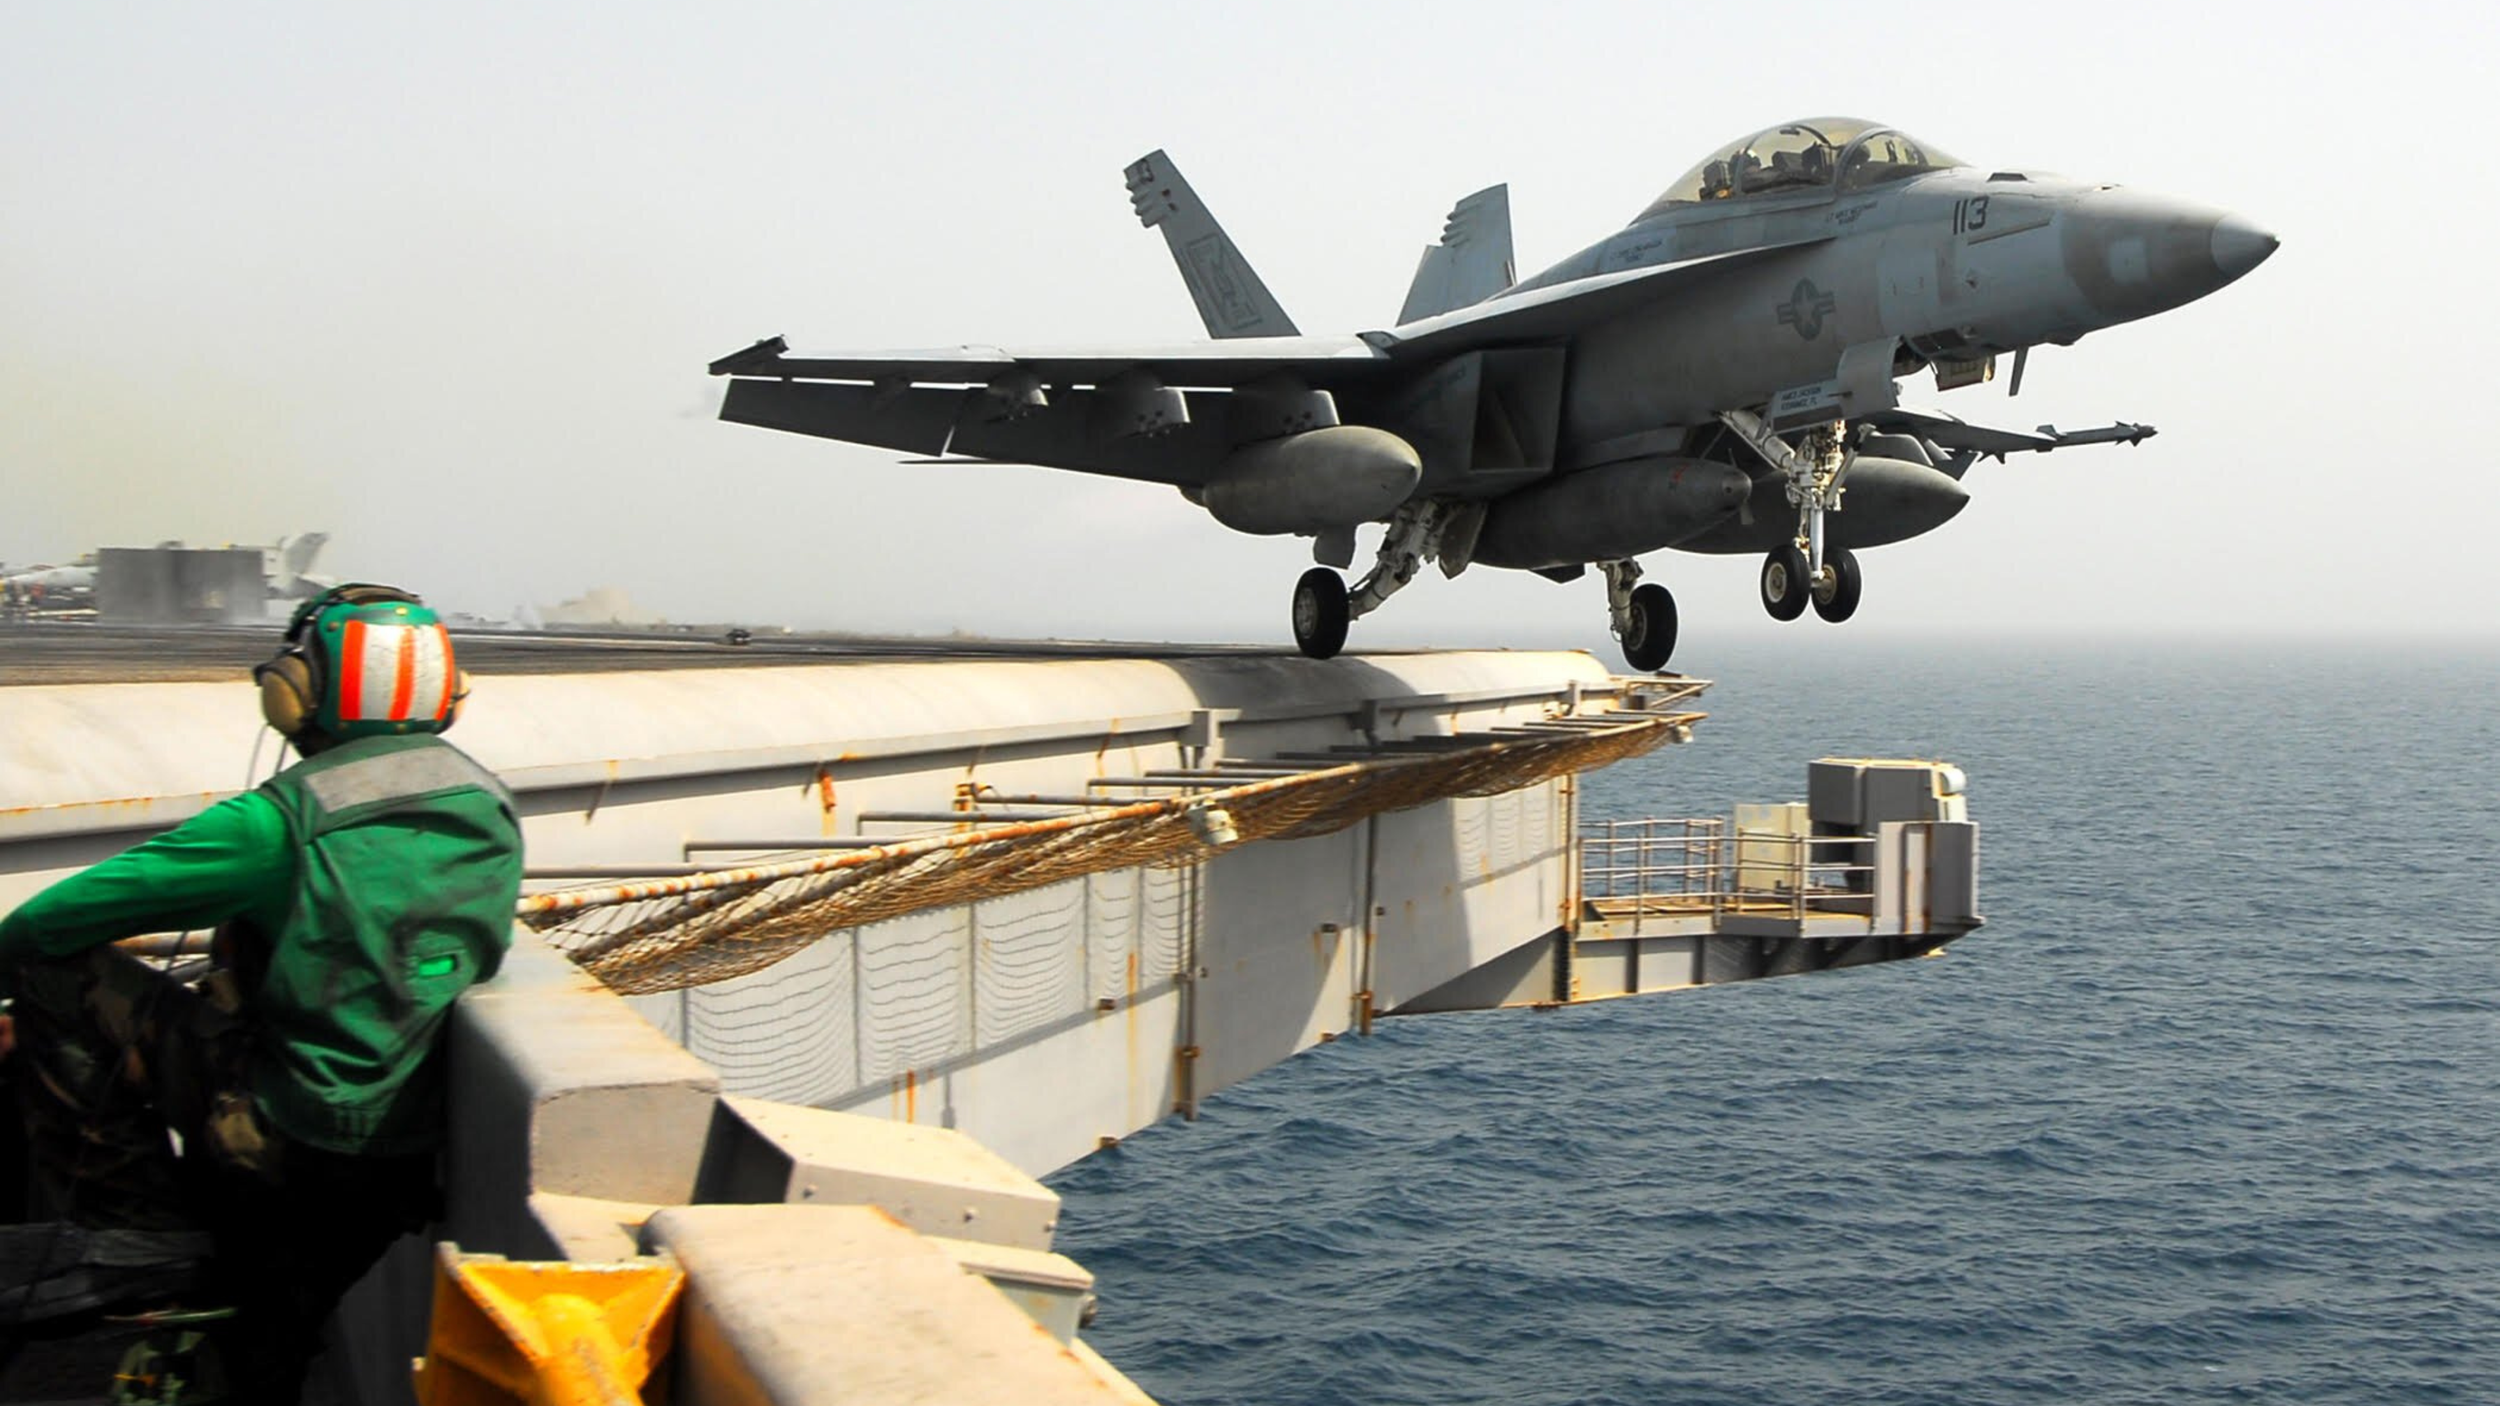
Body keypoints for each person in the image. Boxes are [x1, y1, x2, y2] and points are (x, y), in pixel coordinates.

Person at [0, 583, 523, 1400]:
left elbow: (42, 927)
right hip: (393, 1163)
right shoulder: (489, 804)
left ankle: (138, 1231)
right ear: (445, 694)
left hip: (280, 1134)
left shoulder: (278, 824)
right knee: (268, 1340)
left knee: (52, 975)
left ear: (298, 693)